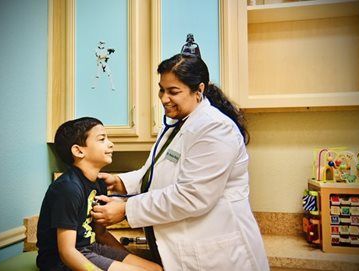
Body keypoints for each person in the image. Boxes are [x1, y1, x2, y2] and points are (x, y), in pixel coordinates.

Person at [92, 54, 270, 271]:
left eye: (173, 91)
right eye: (161, 90)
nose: (164, 98)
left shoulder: (215, 129)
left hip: (217, 255)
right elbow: (157, 173)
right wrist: (118, 181)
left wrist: (127, 209)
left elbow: (192, 195)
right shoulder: (177, 124)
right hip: (182, 248)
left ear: (199, 90)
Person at [36, 117, 162, 271]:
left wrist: (126, 258)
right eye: (102, 139)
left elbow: (101, 234)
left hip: (92, 248)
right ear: (78, 151)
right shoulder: (67, 188)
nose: (110, 144)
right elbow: (67, 252)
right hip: (60, 262)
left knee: (156, 269)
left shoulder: (99, 183)